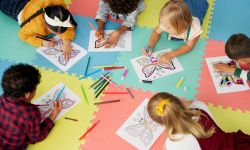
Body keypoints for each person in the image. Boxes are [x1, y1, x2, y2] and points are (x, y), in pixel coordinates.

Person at [147, 92, 250, 150]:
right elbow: (188, 103)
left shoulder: (173, 142)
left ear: (162, 123)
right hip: (235, 145)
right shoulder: (199, 106)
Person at [0, 64, 62, 150]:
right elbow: (35, 138)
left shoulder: (2, 98)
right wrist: (52, 117)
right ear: (27, 94)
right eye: (35, 88)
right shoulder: (31, 113)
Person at [0, 0, 77, 60]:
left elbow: (69, 25)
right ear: (47, 26)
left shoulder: (60, 7)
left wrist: (67, 42)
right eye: (56, 32)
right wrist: (42, 42)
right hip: (14, 7)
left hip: (34, 3)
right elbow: (22, 35)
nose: (59, 34)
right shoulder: (36, 26)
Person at [142, 0, 208, 64]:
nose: (163, 27)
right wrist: (150, 46)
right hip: (184, 7)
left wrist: (171, 54)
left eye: (167, 27)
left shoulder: (194, 29)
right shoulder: (166, 22)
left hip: (197, 4)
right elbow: (156, 32)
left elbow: (189, 46)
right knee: (178, 6)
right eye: (161, 23)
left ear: (182, 26)